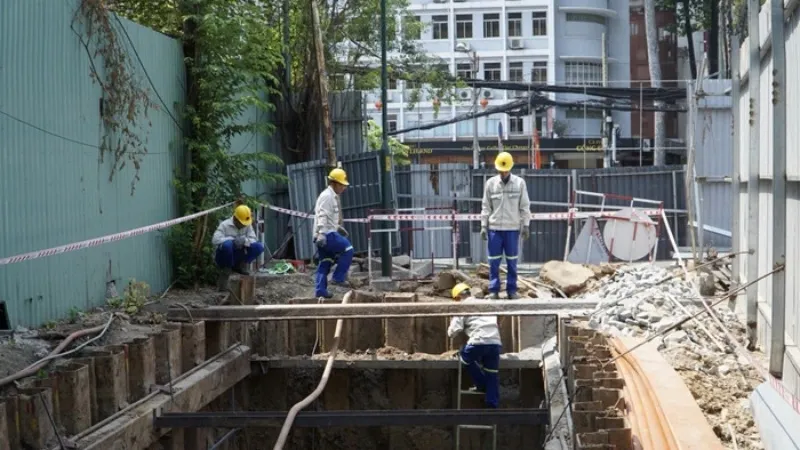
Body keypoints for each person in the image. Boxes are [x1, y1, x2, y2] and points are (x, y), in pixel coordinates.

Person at [480, 151, 531, 300]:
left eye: (505, 170)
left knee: (512, 262)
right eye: (500, 170)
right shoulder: (490, 184)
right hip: (495, 229)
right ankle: (494, 290)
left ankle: (511, 290)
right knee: (494, 262)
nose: (503, 173)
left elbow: (525, 206)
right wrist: (484, 225)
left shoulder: (519, 183)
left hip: (511, 230)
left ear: (510, 168)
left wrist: (526, 225)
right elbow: (486, 206)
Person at [447, 283, 502, 408]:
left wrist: (451, 329)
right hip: (495, 343)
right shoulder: (485, 304)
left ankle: (481, 385)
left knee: (464, 359)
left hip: (478, 342)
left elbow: (453, 331)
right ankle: (492, 404)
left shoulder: (462, 307)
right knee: (491, 372)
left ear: (457, 297)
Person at [313, 167, 354, 298]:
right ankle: (338, 277)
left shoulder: (331, 196)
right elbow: (323, 215)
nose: (344, 188)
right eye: (342, 185)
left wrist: (337, 227)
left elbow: (329, 216)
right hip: (326, 233)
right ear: (334, 183)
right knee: (348, 248)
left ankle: (320, 290)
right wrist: (321, 232)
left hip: (326, 232)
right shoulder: (327, 196)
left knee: (325, 260)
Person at [211, 204, 265, 290]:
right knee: (227, 245)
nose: (244, 225)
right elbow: (215, 240)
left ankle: (240, 265)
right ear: (235, 219)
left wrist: (245, 241)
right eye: (241, 223)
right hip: (223, 257)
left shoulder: (247, 225)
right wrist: (232, 240)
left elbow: (253, 239)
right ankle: (226, 270)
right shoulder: (225, 225)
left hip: (237, 254)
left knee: (259, 246)